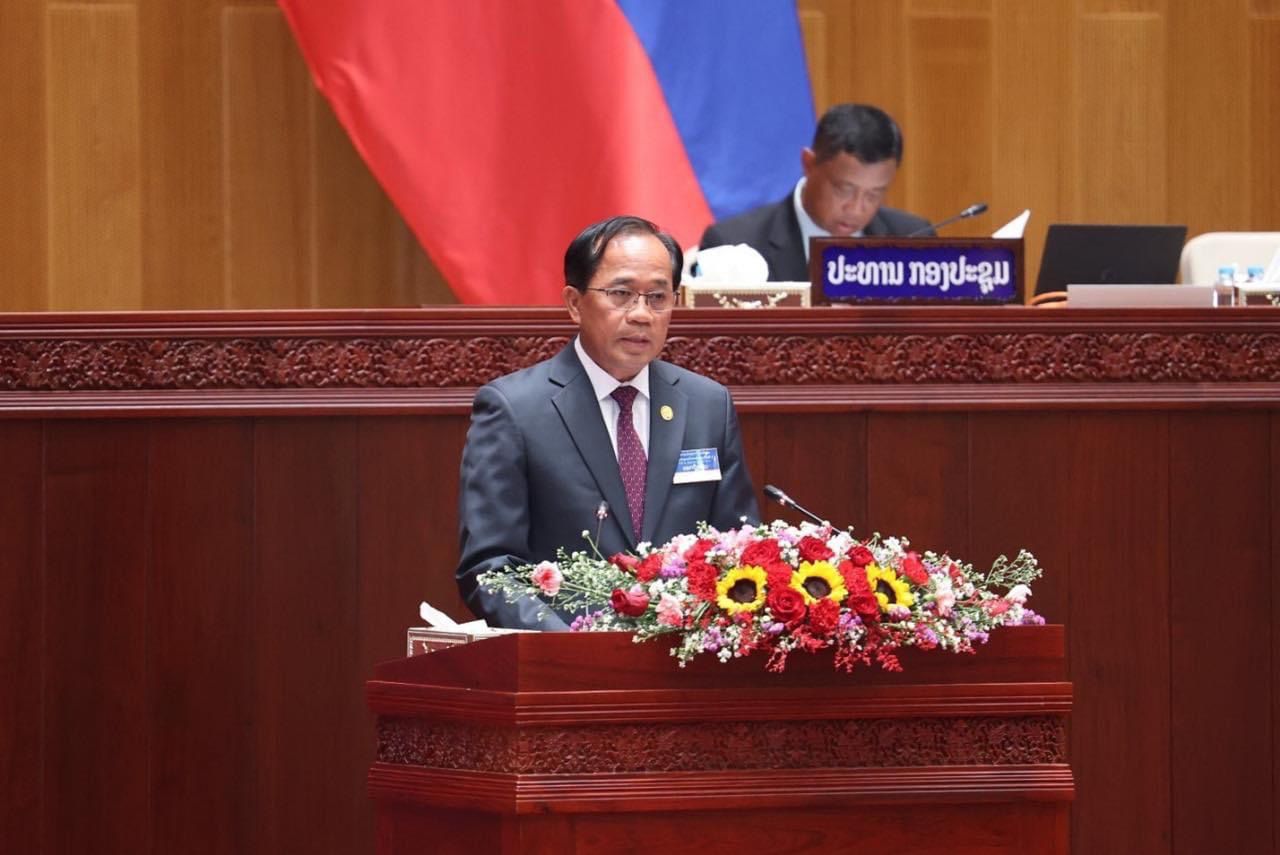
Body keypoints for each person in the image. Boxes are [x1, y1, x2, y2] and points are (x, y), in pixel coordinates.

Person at [456, 215, 761, 630]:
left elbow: (741, 549)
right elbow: (490, 568)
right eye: (621, 294)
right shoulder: (515, 410)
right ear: (574, 303)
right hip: (566, 655)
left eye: (658, 297)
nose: (641, 314)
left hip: (685, 653)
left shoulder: (708, 405)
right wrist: (567, 645)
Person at [699, 103, 932, 282]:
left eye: (874, 194)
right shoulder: (733, 244)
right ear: (808, 163)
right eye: (844, 190)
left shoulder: (912, 241)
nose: (856, 209)